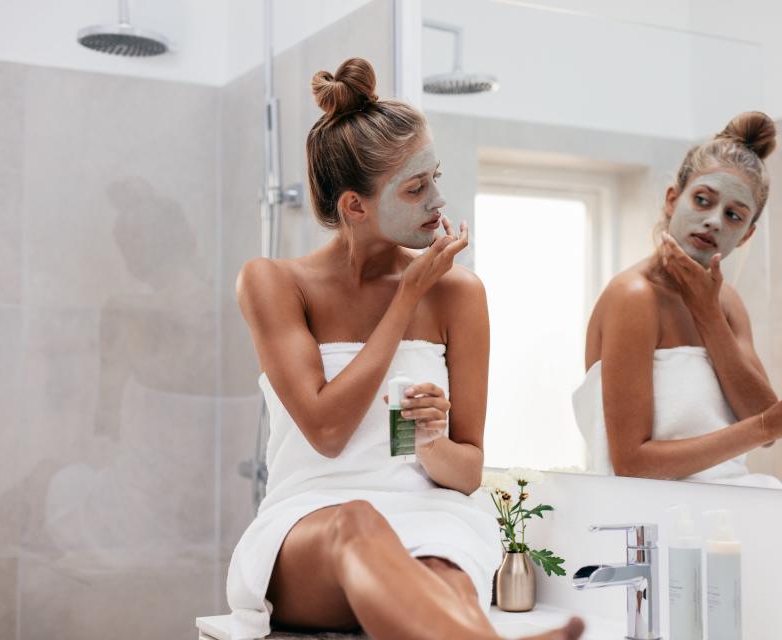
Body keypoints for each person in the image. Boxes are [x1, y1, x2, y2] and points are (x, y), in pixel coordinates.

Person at [226, 58, 584, 640]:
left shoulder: (460, 294)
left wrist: (433, 443)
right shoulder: (273, 282)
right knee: (358, 523)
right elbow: (326, 431)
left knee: (447, 576)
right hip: (311, 525)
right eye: (416, 188)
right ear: (355, 207)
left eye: (434, 177)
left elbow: (467, 472)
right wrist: (406, 296)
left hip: (430, 518)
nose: (438, 200)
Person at [575, 111, 782, 498]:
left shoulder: (726, 302)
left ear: (746, 235)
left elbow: (760, 417)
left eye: (733, 215)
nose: (714, 221)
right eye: (702, 200)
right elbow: (632, 464)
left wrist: (708, 313)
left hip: (734, 500)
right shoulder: (634, 296)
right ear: (672, 199)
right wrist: (768, 424)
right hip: (657, 515)